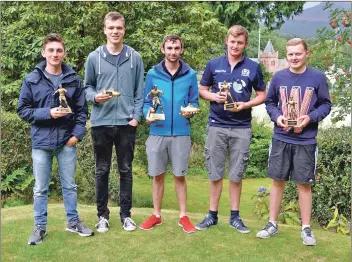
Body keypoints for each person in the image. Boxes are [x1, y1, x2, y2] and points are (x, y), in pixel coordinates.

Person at [17, 33, 93, 245]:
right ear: (44, 53)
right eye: (50, 50)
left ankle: (73, 222)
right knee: (40, 189)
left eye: (59, 50)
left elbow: (81, 111)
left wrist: (77, 135)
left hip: (66, 142)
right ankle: (39, 228)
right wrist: (47, 113)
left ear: (64, 53)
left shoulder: (73, 79)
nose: (55, 54)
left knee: (70, 186)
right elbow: (22, 110)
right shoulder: (32, 79)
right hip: (41, 143)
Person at [256, 38, 332, 246]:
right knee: (277, 181)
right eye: (290, 54)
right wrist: (277, 117)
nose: (294, 57)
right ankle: (272, 223)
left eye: (298, 53)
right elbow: (270, 103)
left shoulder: (317, 77)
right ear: (285, 55)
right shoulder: (279, 77)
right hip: (281, 137)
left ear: (306, 53)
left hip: (306, 140)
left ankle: (306, 229)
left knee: (303, 184)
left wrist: (310, 118)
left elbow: (326, 105)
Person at [196, 25, 266, 233]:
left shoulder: (253, 67)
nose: (235, 45)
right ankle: (212, 215)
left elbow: (262, 94)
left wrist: (246, 105)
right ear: (227, 41)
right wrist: (213, 96)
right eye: (232, 41)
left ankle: (235, 217)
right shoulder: (213, 64)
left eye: (240, 42)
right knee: (215, 173)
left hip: (241, 127)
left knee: (236, 174)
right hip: (216, 125)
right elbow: (202, 89)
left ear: (245, 44)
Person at [84, 11, 144, 233]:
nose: (115, 31)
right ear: (105, 30)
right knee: (102, 170)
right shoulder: (94, 57)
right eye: (111, 28)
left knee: (126, 170)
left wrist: (136, 117)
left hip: (126, 123)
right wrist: (94, 97)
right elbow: (86, 87)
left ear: (124, 30)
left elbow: (140, 91)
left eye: (119, 27)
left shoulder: (135, 58)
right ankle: (102, 216)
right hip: (101, 122)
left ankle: (126, 216)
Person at [139, 34, 199, 233]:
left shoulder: (190, 74)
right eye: (169, 48)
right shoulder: (152, 74)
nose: (173, 52)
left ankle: (183, 216)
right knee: (157, 176)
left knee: (179, 176)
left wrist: (189, 110)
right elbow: (147, 102)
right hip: (157, 132)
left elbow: (195, 102)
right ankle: (156, 215)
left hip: (181, 132)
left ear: (181, 50)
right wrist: (146, 114)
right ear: (162, 49)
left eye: (176, 48)